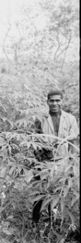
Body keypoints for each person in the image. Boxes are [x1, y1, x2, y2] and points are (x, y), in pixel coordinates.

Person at [32, 89, 79, 224]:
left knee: (56, 195)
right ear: (47, 102)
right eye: (51, 100)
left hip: (62, 162)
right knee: (40, 193)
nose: (54, 103)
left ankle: (52, 223)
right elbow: (34, 141)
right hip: (44, 161)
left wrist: (71, 166)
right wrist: (37, 163)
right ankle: (35, 222)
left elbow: (73, 141)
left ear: (62, 101)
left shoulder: (70, 119)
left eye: (57, 100)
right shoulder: (40, 119)